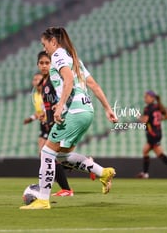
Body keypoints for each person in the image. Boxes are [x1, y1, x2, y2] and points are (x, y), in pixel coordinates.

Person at [20, 27, 118, 210]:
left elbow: (68, 81)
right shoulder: (74, 59)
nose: (45, 49)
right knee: (63, 156)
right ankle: (103, 173)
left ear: (53, 42)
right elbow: (93, 85)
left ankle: (42, 199)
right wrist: (107, 108)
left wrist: (59, 108)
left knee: (47, 153)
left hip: (72, 112)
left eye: (45, 44)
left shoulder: (58, 56)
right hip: (86, 112)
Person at [24, 53, 74, 197]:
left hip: (54, 121)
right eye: (42, 63)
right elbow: (42, 109)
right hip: (45, 123)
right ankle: (60, 184)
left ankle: (62, 187)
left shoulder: (51, 83)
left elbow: (58, 100)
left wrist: (52, 114)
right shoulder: (37, 92)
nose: (36, 80)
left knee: (48, 155)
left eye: (47, 63)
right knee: (49, 155)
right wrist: (35, 117)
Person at [136, 90, 167, 179]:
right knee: (146, 151)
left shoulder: (148, 108)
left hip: (152, 133)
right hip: (157, 132)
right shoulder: (158, 106)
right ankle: (146, 173)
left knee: (157, 153)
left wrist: (138, 117)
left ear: (152, 98)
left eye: (146, 97)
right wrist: (158, 120)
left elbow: (144, 121)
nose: (145, 98)